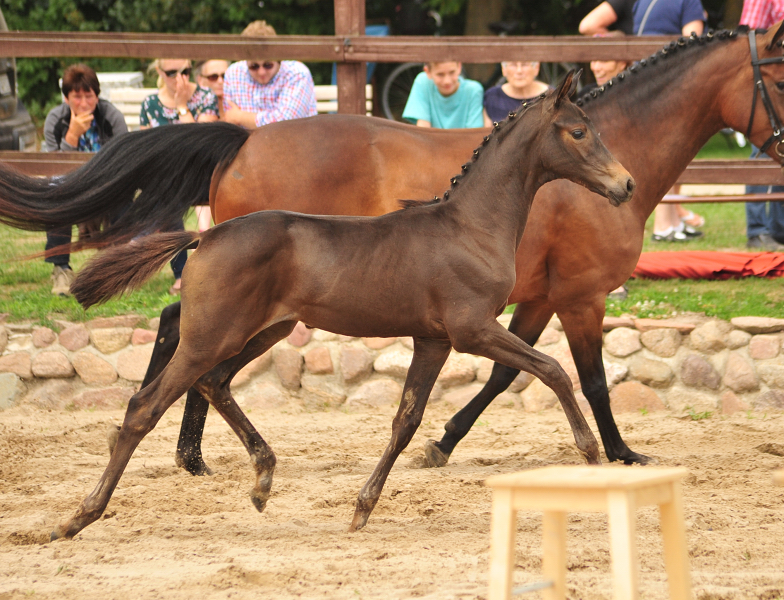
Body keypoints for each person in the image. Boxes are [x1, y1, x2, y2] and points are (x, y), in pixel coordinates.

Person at [43, 63, 128, 296]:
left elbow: (125, 162)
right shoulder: (55, 120)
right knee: (56, 197)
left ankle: (117, 267)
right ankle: (61, 269)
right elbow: (53, 168)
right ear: (66, 98)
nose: (82, 103)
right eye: (76, 97)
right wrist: (71, 136)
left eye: (88, 96)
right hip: (70, 188)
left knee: (125, 195)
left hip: (107, 187)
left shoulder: (112, 117)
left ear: (97, 96)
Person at [140, 58, 219, 294]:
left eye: (184, 71)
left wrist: (182, 105)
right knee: (164, 192)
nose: (178, 78)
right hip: (167, 175)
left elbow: (202, 146)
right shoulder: (150, 104)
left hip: (203, 171)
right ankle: (182, 273)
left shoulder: (205, 97)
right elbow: (148, 149)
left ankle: (204, 260)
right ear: (159, 72)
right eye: (171, 72)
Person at [633, 0, 706, 242]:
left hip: (641, 81)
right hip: (669, 82)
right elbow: (692, 41)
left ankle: (673, 222)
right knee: (669, 152)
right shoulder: (688, 2)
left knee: (665, 152)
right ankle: (664, 226)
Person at [740, 0, 784, 251]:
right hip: (771, 81)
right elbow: (750, 35)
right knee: (763, 146)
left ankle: (779, 229)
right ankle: (757, 230)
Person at [222, 20, 318, 129]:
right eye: (254, 66)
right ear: (246, 61)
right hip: (248, 144)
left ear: (279, 59)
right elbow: (231, 124)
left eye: (268, 65)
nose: (261, 72)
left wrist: (240, 117)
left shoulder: (297, 73)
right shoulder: (233, 73)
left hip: (294, 143)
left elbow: (285, 124)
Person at [194, 59, 230, 232]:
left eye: (225, 75)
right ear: (201, 80)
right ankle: (204, 231)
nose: (221, 81)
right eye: (213, 77)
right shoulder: (198, 104)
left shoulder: (241, 99)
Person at [402, 61, 483, 129]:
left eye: (452, 72)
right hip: (431, 145)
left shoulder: (473, 90)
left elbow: (473, 134)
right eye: (440, 74)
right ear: (428, 72)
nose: (447, 81)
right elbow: (423, 129)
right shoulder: (423, 82)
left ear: (459, 67)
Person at [483, 61, 550, 126]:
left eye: (524, 64)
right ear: (504, 69)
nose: (519, 71)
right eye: (513, 65)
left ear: (536, 68)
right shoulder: (493, 96)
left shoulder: (552, 95)